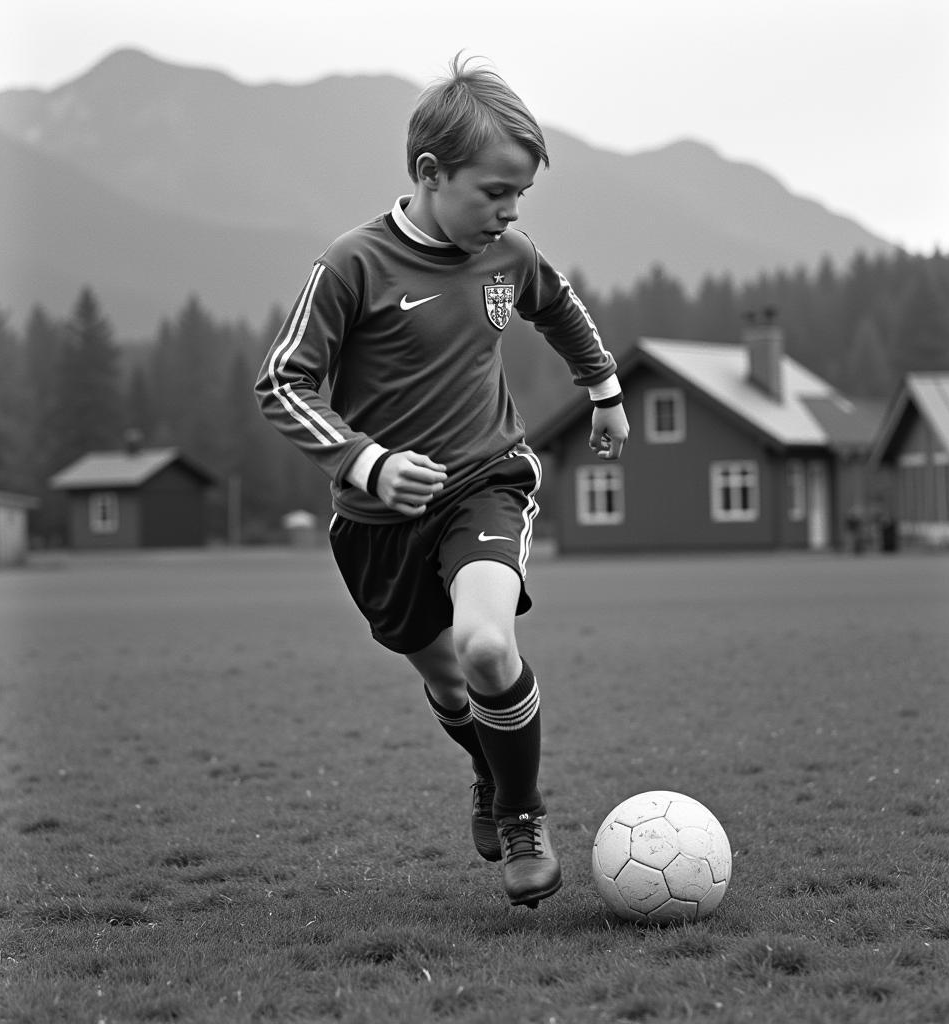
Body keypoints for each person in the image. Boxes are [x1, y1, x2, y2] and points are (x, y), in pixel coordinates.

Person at [255, 53, 629, 909]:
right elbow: (282, 381)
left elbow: (558, 305)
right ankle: (491, 778)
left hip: (486, 484)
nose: (507, 214)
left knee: (488, 646)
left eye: (519, 198)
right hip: (376, 524)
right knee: (449, 680)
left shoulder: (509, 255)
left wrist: (603, 390)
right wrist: (368, 462)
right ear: (430, 173)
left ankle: (524, 814)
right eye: (493, 192)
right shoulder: (351, 265)